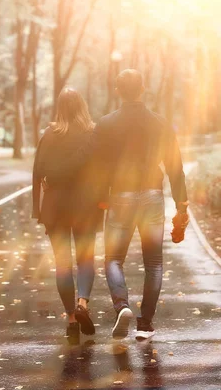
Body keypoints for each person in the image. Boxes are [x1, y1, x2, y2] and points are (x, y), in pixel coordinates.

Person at [55, 69, 189, 340]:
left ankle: (122, 306)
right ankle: (145, 323)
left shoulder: (106, 124)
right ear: (143, 89)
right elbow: (175, 166)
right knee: (154, 263)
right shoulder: (161, 123)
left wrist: (58, 171)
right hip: (152, 196)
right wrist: (181, 204)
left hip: (120, 198)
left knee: (114, 259)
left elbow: (92, 162)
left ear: (118, 91)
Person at [32, 88, 104, 345]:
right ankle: (83, 302)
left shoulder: (49, 136)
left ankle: (72, 322)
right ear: (83, 106)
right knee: (86, 259)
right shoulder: (92, 134)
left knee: (62, 264)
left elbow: (40, 170)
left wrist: (49, 183)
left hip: (56, 208)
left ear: (60, 107)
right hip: (85, 206)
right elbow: (102, 170)